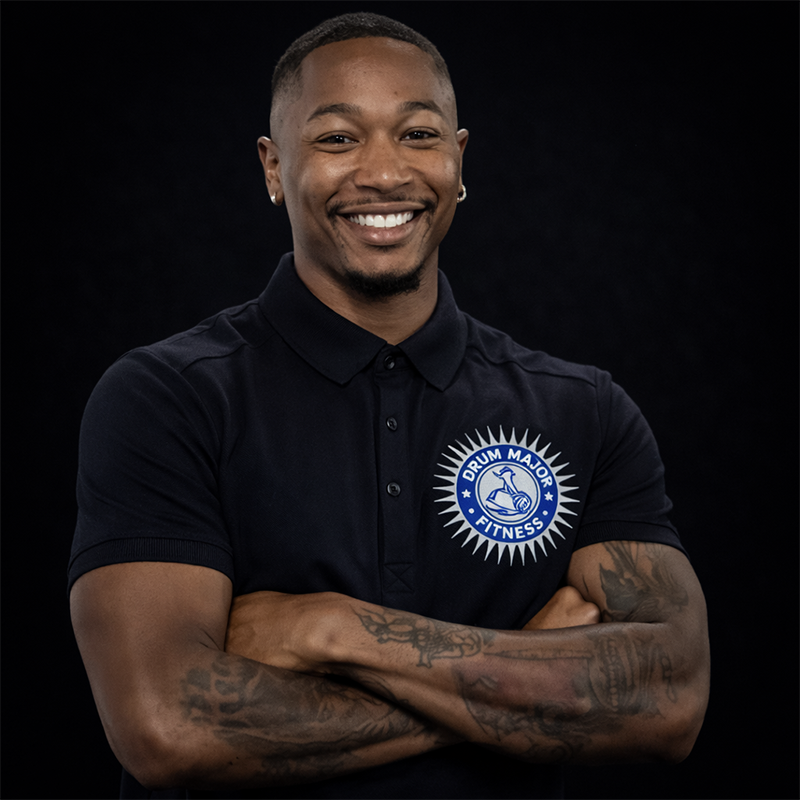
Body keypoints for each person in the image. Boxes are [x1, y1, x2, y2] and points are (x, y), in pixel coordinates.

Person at [69, 12, 710, 800]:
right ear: (274, 168)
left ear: (460, 160)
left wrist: (331, 630)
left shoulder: (583, 410)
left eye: (417, 134)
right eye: (338, 139)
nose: (384, 172)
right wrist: (526, 673)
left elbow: (670, 699)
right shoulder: (168, 398)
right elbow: (167, 727)